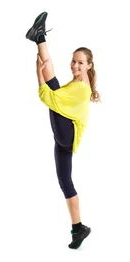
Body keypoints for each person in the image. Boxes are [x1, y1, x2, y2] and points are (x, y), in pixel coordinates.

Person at [26, 11, 100, 249]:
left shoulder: (81, 88)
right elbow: (54, 95)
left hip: (66, 136)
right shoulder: (76, 85)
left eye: (80, 62)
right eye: (74, 60)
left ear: (89, 66)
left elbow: (51, 96)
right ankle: (78, 229)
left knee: (52, 86)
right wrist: (44, 80)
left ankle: (39, 38)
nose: (75, 65)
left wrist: (39, 76)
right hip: (63, 141)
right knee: (65, 182)